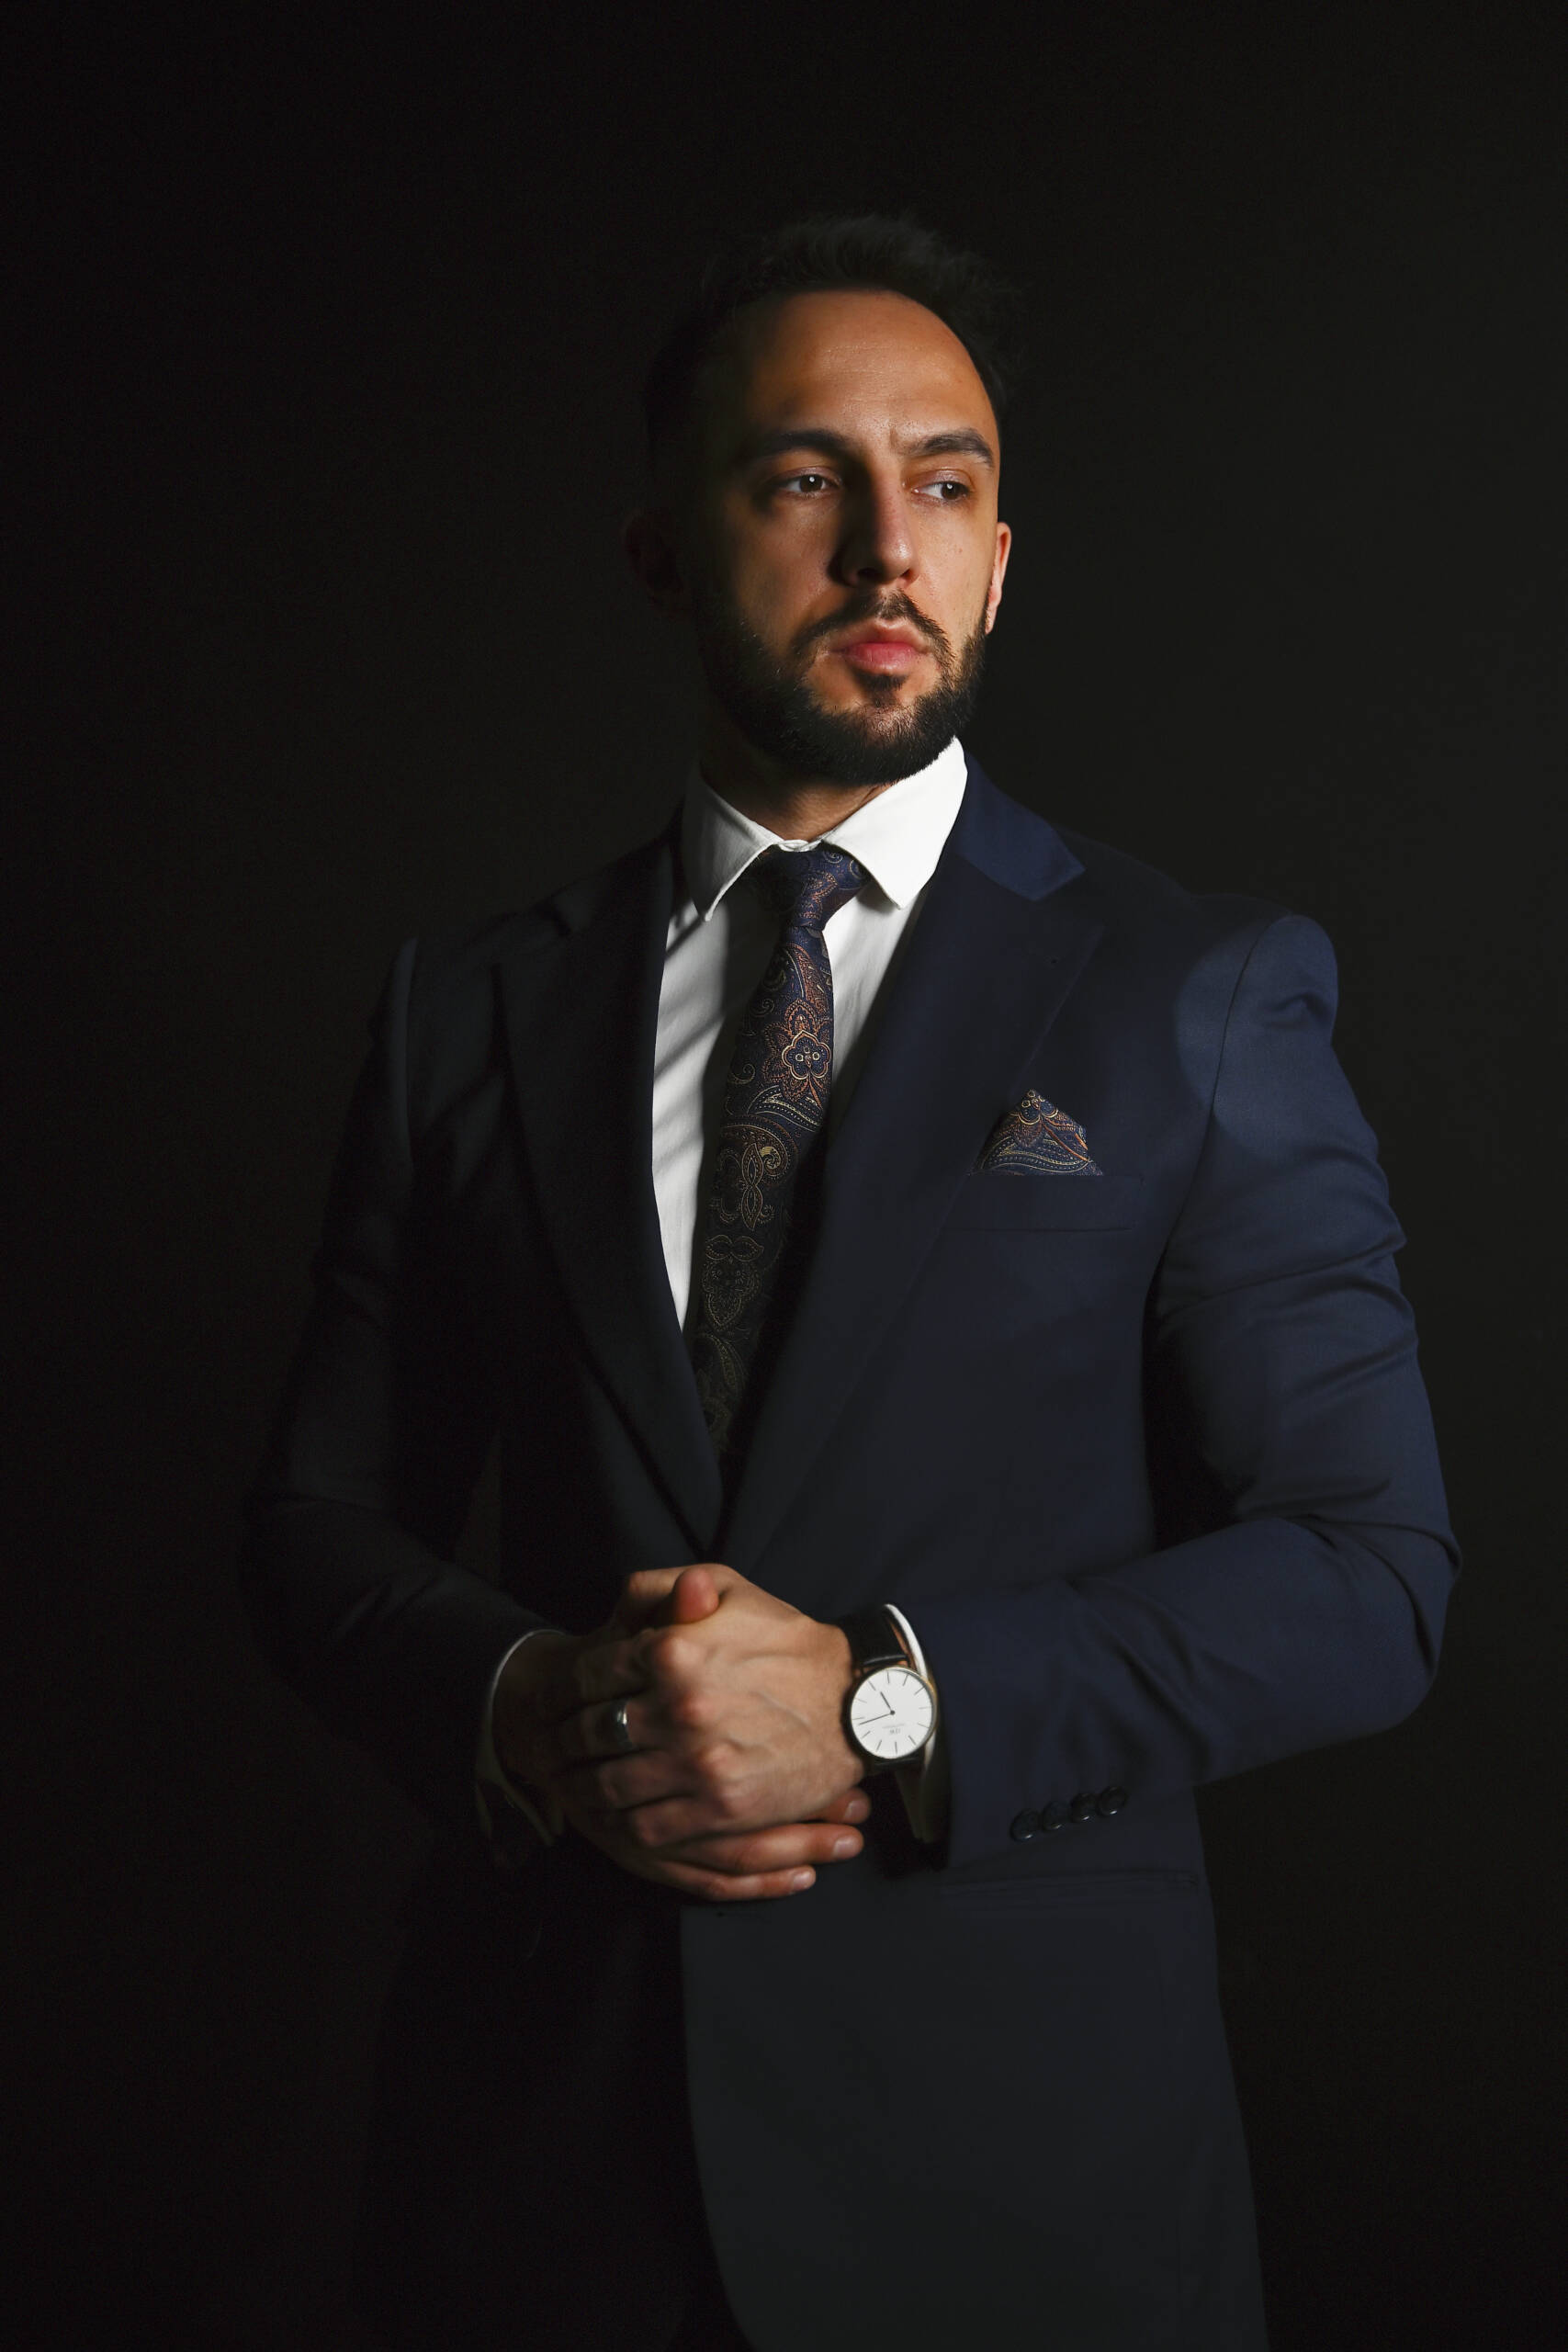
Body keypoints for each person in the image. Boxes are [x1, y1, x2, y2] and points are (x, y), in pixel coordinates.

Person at [242, 216, 1457, 2352]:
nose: (888, 544)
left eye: (946, 482)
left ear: (997, 559)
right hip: (536, 2177)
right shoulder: (469, 1011)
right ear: (659, 549)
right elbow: (316, 1523)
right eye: (805, 477)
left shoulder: (1190, 992)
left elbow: (1367, 1570)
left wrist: (890, 1702)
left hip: (1023, 2189)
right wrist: (534, 1709)